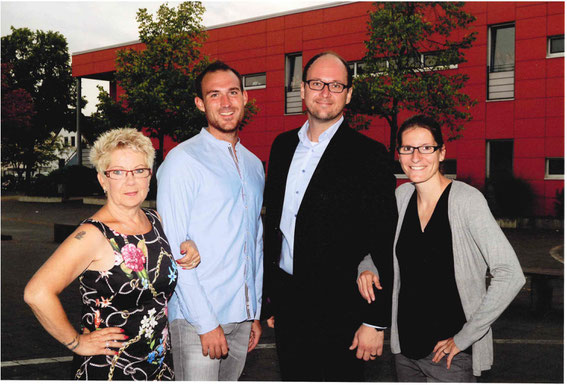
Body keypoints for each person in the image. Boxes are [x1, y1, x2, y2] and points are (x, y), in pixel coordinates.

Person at [357, 114, 526, 381]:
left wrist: (464, 338)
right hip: (405, 353)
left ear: (441, 152)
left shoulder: (466, 201)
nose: (416, 157)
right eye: (407, 148)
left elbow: (510, 273)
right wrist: (367, 267)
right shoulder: (401, 198)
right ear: (398, 154)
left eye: (426, 148)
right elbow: (376, 248)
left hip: (450, 357)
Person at [262, 51, 397, 381]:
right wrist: (272, 299)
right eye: (317, 83)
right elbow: (274, 226)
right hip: (289, 307)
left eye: (336, 85)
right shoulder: (281, 148)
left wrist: (375, 320)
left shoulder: (369, 156)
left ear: (349, 94)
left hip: (343, 314)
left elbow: (384, 241)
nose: (325, 93)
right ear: (303, 90)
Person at [24, 128, 199, 380]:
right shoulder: (93, 235)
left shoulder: (155, 220)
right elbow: (36, 293)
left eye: (139, 170)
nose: (131, 181)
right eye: (117, 172)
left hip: (157, 366)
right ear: (102, 180)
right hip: (111, 369)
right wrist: (77, 342)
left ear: (150, 176)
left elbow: (162, 264)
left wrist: (187, 245)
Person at [156, 61, 265, 381]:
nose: (226, 103)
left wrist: (253, 313)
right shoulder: (182, 160)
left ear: (245, 97)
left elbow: (254, 242)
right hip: (196, 320)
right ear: (200, 104)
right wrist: (206, 323)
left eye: (233, 92)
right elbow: (175, 248)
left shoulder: (254, 164)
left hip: (242, 320)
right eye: (214, 95)